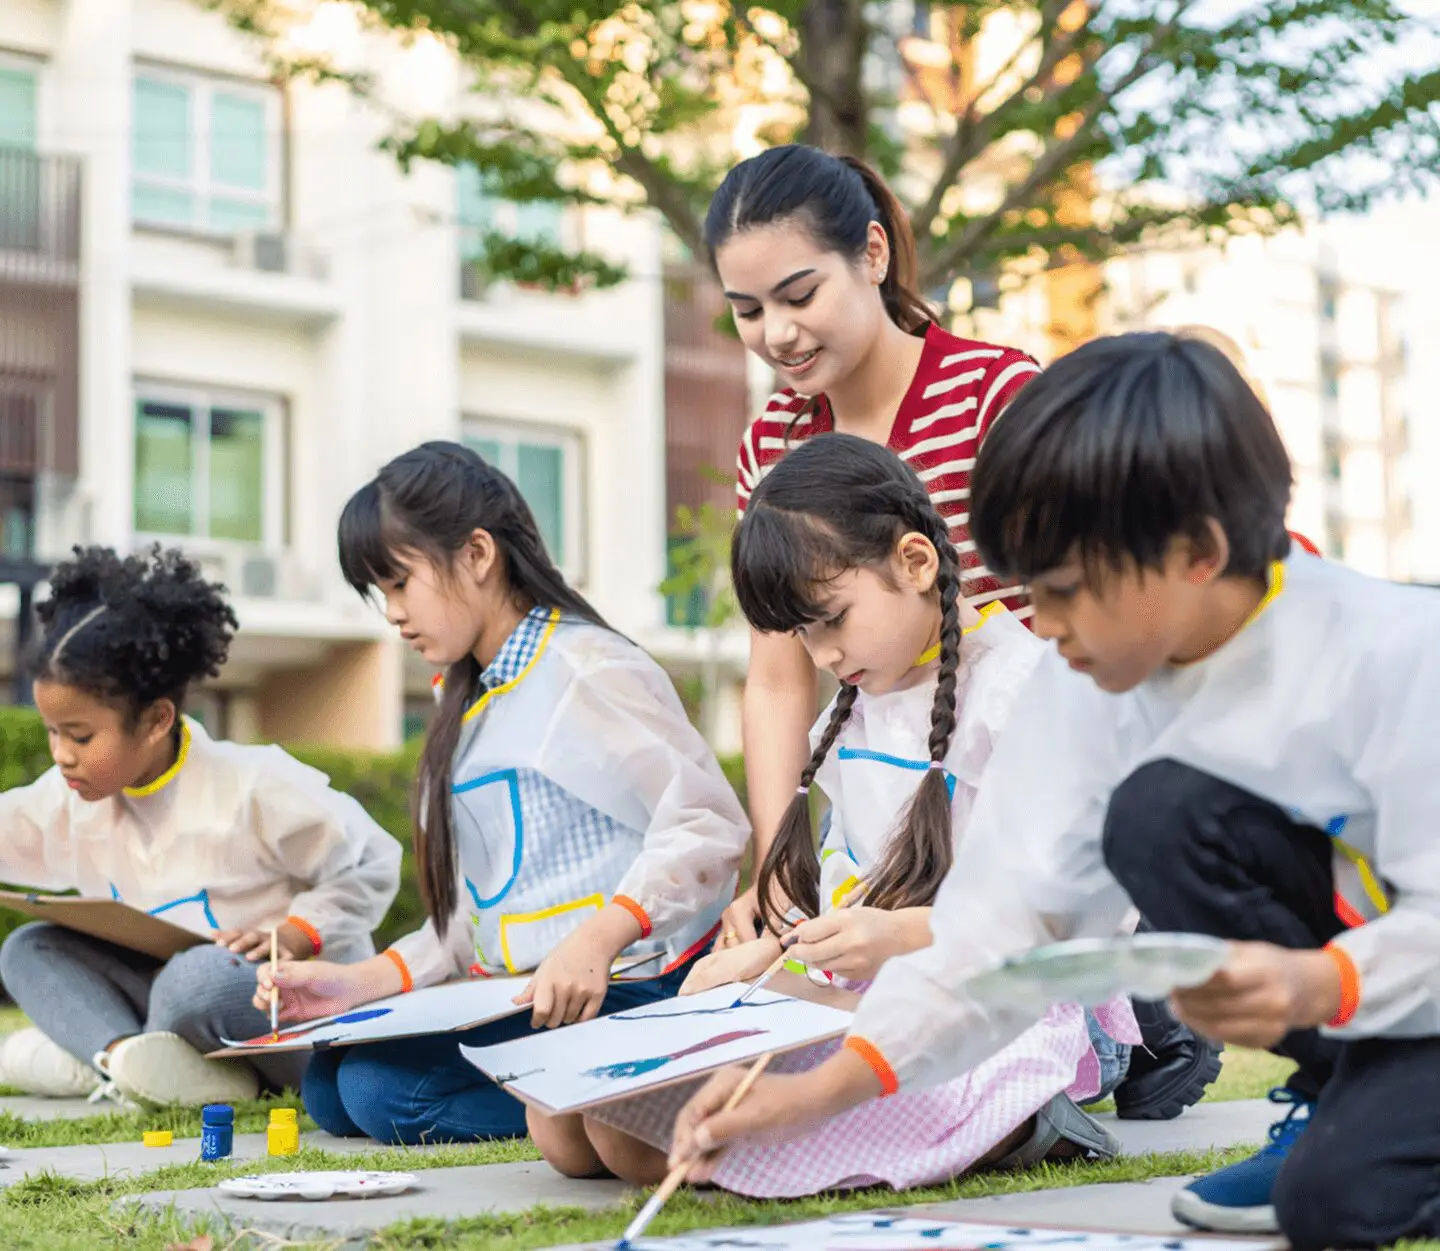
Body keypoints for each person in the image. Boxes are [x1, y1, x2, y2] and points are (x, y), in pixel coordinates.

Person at [670, 333, 1440, 1251]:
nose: (1049, 623)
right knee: (1159, 817)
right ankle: (1349, 1091)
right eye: (1032, 586)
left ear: (1197, 550)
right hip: (1372, 1001)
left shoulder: (1396, 656)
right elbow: (1000, 928)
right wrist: (819, 1092)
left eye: (1069, 589)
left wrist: (1327, 979)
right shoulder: (1089, 686)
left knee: (1336, 1201)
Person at [709, 143, 1210, 1120]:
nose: (777, 332)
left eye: (798, 292)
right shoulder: (771, 442)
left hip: (1013, 767)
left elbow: (1072, 626)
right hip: (888, 795)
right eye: (747, 308)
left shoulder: (992, 395)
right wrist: (780, 866)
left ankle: (1109, 1006)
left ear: (872, 253)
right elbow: (778, 675)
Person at [527, 434, 1136, 1192]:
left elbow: (1087, 905)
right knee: (562, 1124)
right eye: (803, 633)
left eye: (832, 620)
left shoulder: (1019, 690)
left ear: (915, 562)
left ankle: (1022, 1111)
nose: (819, 656)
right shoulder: (865, 705)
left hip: (1009, 999)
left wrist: (906, 934)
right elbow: (863, 888)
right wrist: (774, 957)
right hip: (876, 983)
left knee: (637, 1143)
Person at [257, 442, 750, 1145]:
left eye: (400, 582)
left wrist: (602, 934)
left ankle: (602, 1109)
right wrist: (358, 981)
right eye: (381, 593)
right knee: (330, 1087)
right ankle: (564, 1101)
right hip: (526, 995)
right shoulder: (469, 700)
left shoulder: (586, 668)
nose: (392, 613)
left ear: (478, 554)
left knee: (379, 1091)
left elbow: (707, 821)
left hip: (633, 982)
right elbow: (479, 915)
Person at [0, 545, 401, 1106]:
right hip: (164, 999)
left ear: (157, 719)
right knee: (29, 948)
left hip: (267, 999)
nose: (62, 755)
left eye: (81, 736)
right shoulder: (64, 799)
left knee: (195, 981)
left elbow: (374, 860)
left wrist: (293, 933)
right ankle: (128, 1062)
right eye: (52, 733)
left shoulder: (256, 786)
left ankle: (116, 1066)